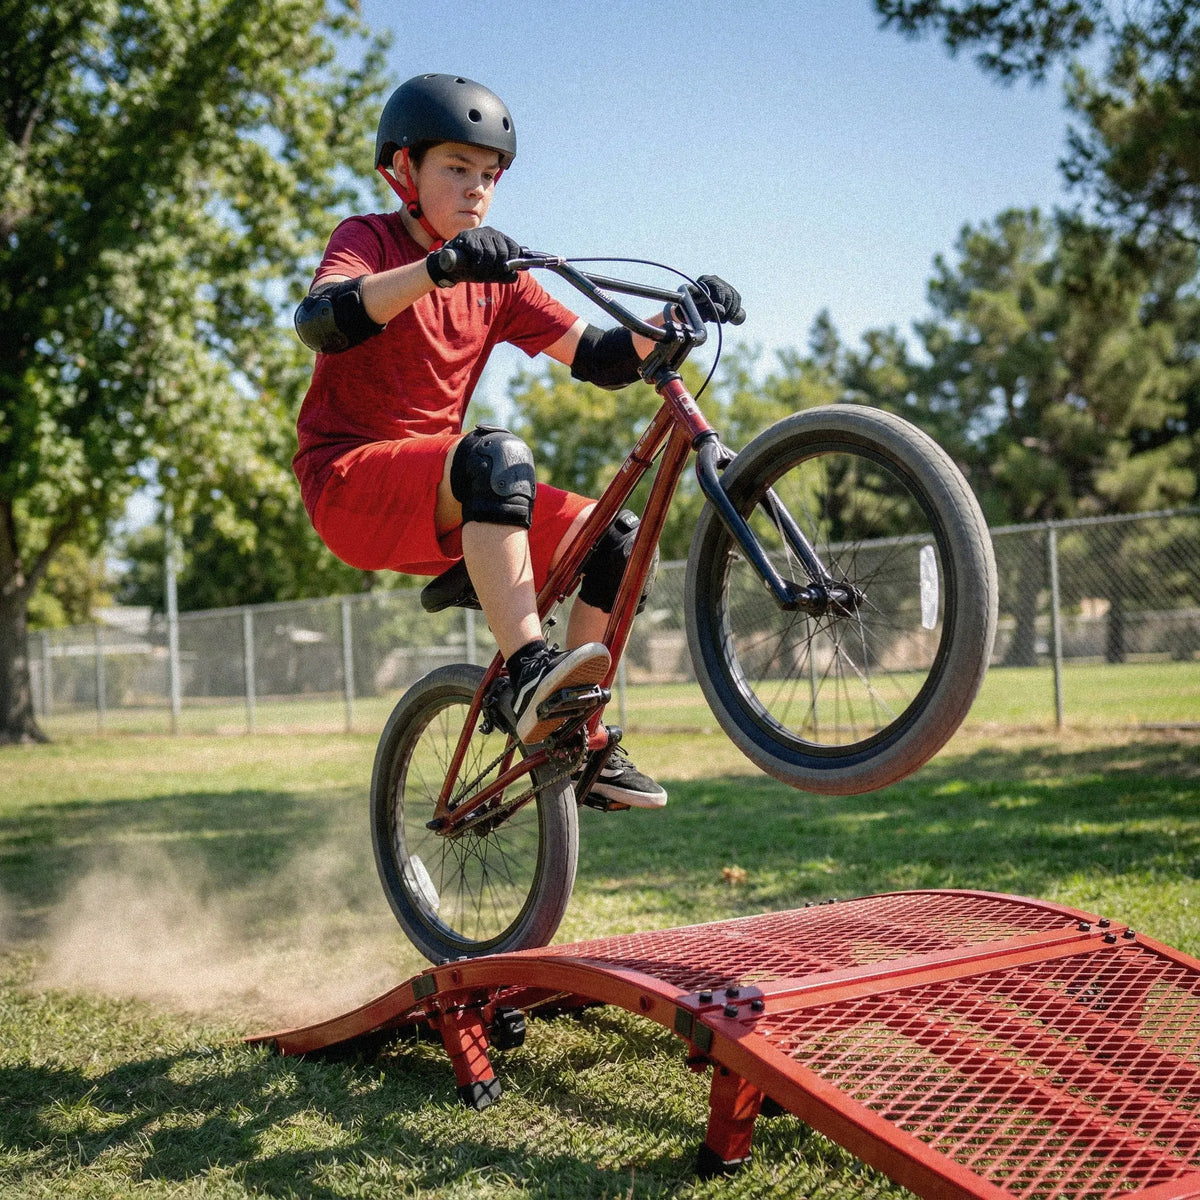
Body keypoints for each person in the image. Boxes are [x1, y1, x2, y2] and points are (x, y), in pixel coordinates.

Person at [292, 72, 742, 809]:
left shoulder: (497, 275)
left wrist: (679, 317)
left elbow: (601, 357)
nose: (476, 189)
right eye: (456, 169)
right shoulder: (368, 239)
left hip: (448, 497)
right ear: (403, 169)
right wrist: (436, 269)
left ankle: (575, 733)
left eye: (489, 176)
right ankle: (531, 666)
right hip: (349, 487)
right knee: (496, 456)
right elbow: (320, 320)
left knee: (616, 540)